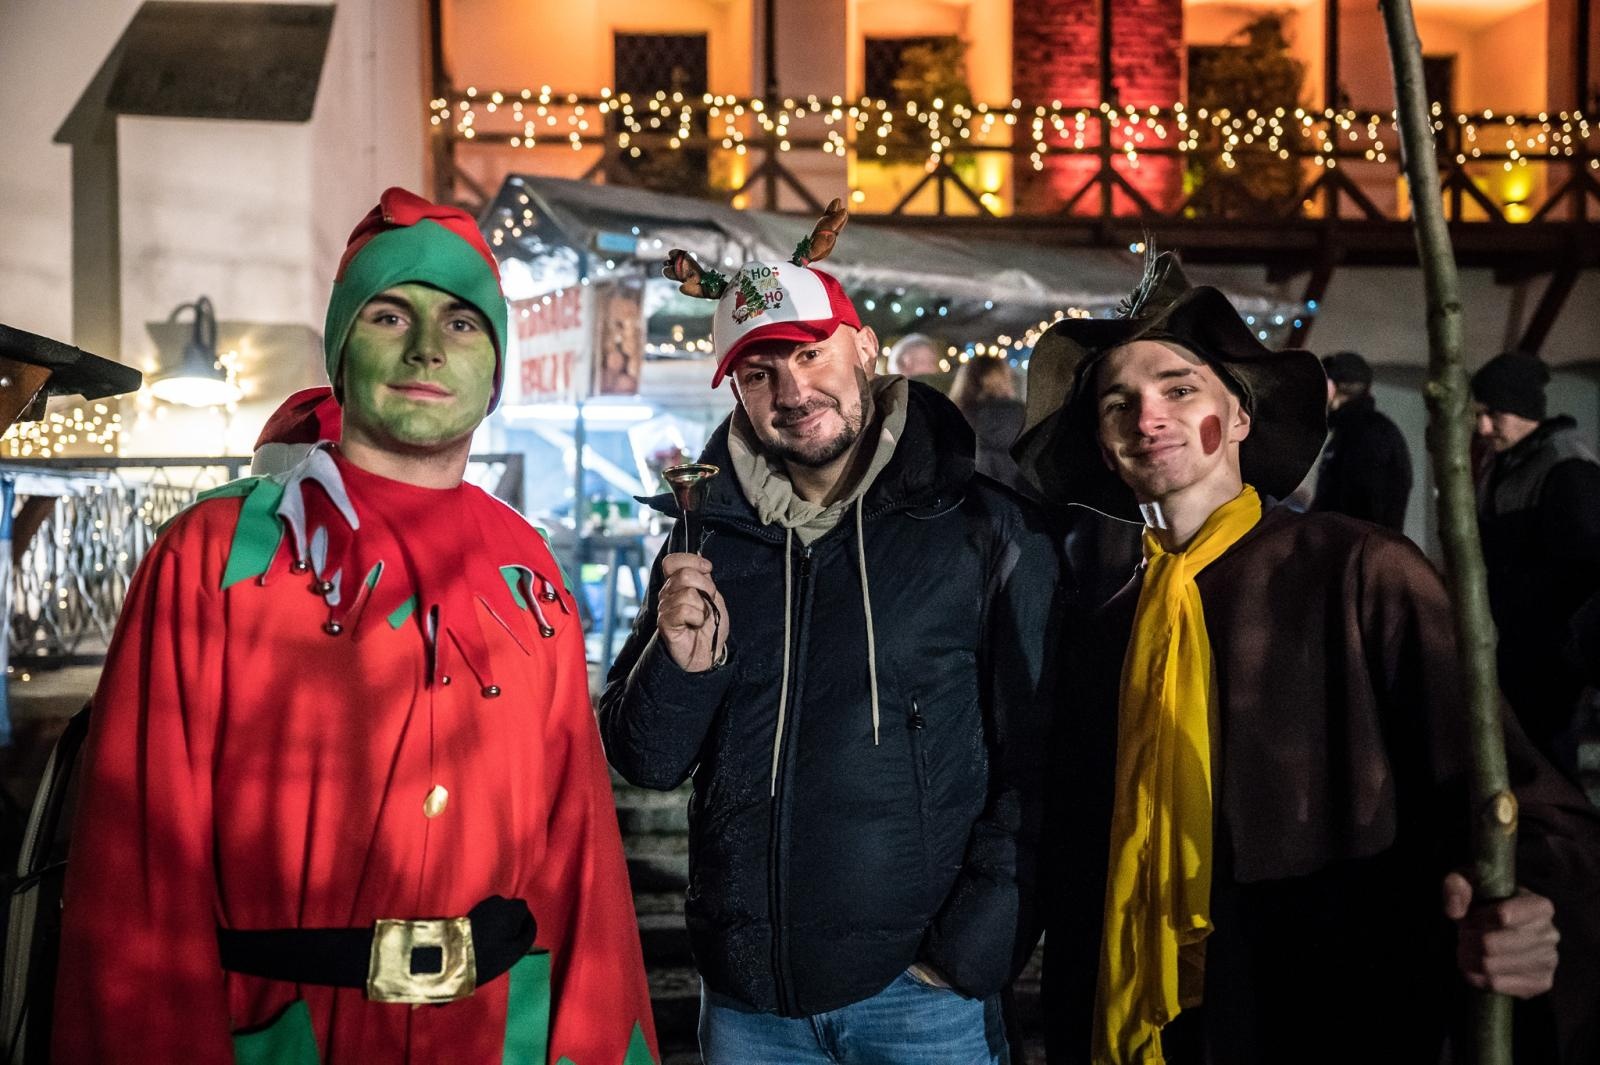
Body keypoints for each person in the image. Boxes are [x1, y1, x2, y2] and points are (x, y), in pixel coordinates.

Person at [54, 188, 658, 1064]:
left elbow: (581, 852)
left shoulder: (529, 568)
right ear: (341, 351)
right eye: (387, 314)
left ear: (494, 367)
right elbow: (139, 870)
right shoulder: (216, 553)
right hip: (285, 1036)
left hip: (496, 1036)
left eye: (461, 323)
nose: (425, 347)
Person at [1013, 252, 1600, 1065]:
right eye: (1120, 403)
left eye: (1180, 387)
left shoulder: (1360, 571)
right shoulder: (1107, 624)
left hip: (1319, 1018)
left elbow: (1515, 796)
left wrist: (1534, 901)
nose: (1148, 415)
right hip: (1149, 1027)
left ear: (1241, 416)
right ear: (1106, 446)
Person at [600, 206, 1058, 1064]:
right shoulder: (707, 534)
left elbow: (1042, 757)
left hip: (922, 1000)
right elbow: (646, 760)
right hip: (750, 1005)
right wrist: (678, 667)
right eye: (760, 373)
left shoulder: (983, 527)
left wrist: (971, 948)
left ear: (865, 348)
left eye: (810, 354)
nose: (793, 390)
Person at [1471, 350, 1600, 767]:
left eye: (1494, 413)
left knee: (1547, 756)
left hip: (1554, 648)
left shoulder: (1565, 465)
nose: (1483, 426)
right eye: (1479, 413)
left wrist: (1569, 646)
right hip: (1521, 638)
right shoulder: (1506, 462)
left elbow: (1584, 564)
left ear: (1524, 409)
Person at [1310, 349, 1412, 531]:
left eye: (1323, 380)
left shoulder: (1366, 434)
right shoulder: (1357, 430)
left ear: (1336, 385)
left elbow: (1360, 504)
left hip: (1355, 550)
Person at [950, 356, 1027, 492]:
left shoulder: (952, 417)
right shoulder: (1018, 415)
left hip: (968, 503)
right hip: (1012, 501)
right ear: (1002, 378)